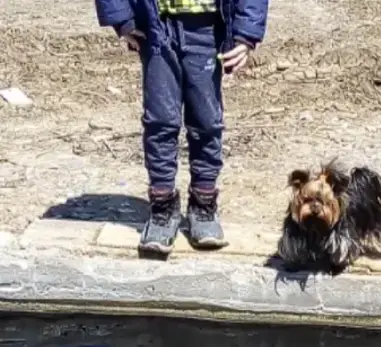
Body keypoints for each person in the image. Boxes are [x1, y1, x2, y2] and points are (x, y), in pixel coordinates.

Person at [94, 0, 269, 253]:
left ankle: (204, 205)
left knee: (207, 122)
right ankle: (162, 206)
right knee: (160, 121)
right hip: (156, 29)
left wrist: (246, 33)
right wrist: (122, 19)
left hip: (207, 29)